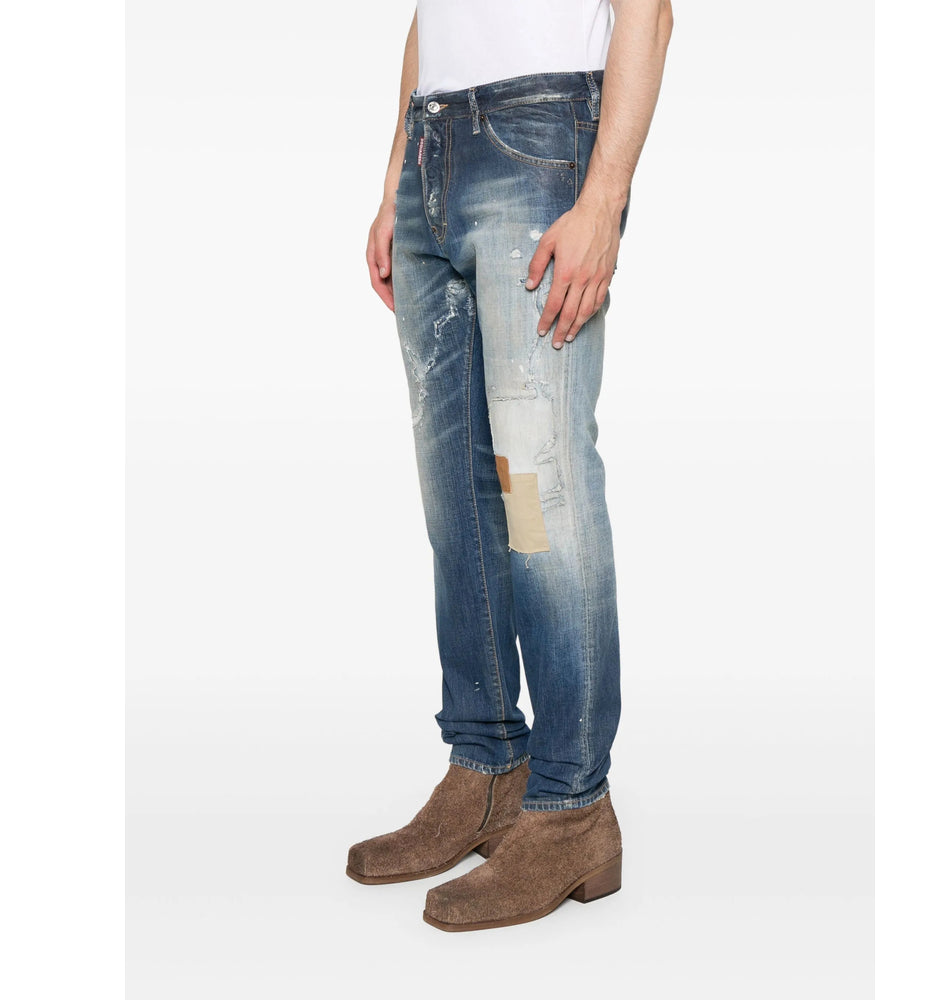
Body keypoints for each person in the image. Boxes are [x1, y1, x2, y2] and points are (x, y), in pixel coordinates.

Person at [347, 0, 672, 931]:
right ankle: (486, 765)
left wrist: (603, 201)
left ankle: (572, 806)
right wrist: (396, 181)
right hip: (432, 149)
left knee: (538, 488)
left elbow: (648, 11)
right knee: (457, 494)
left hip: (540, 145)